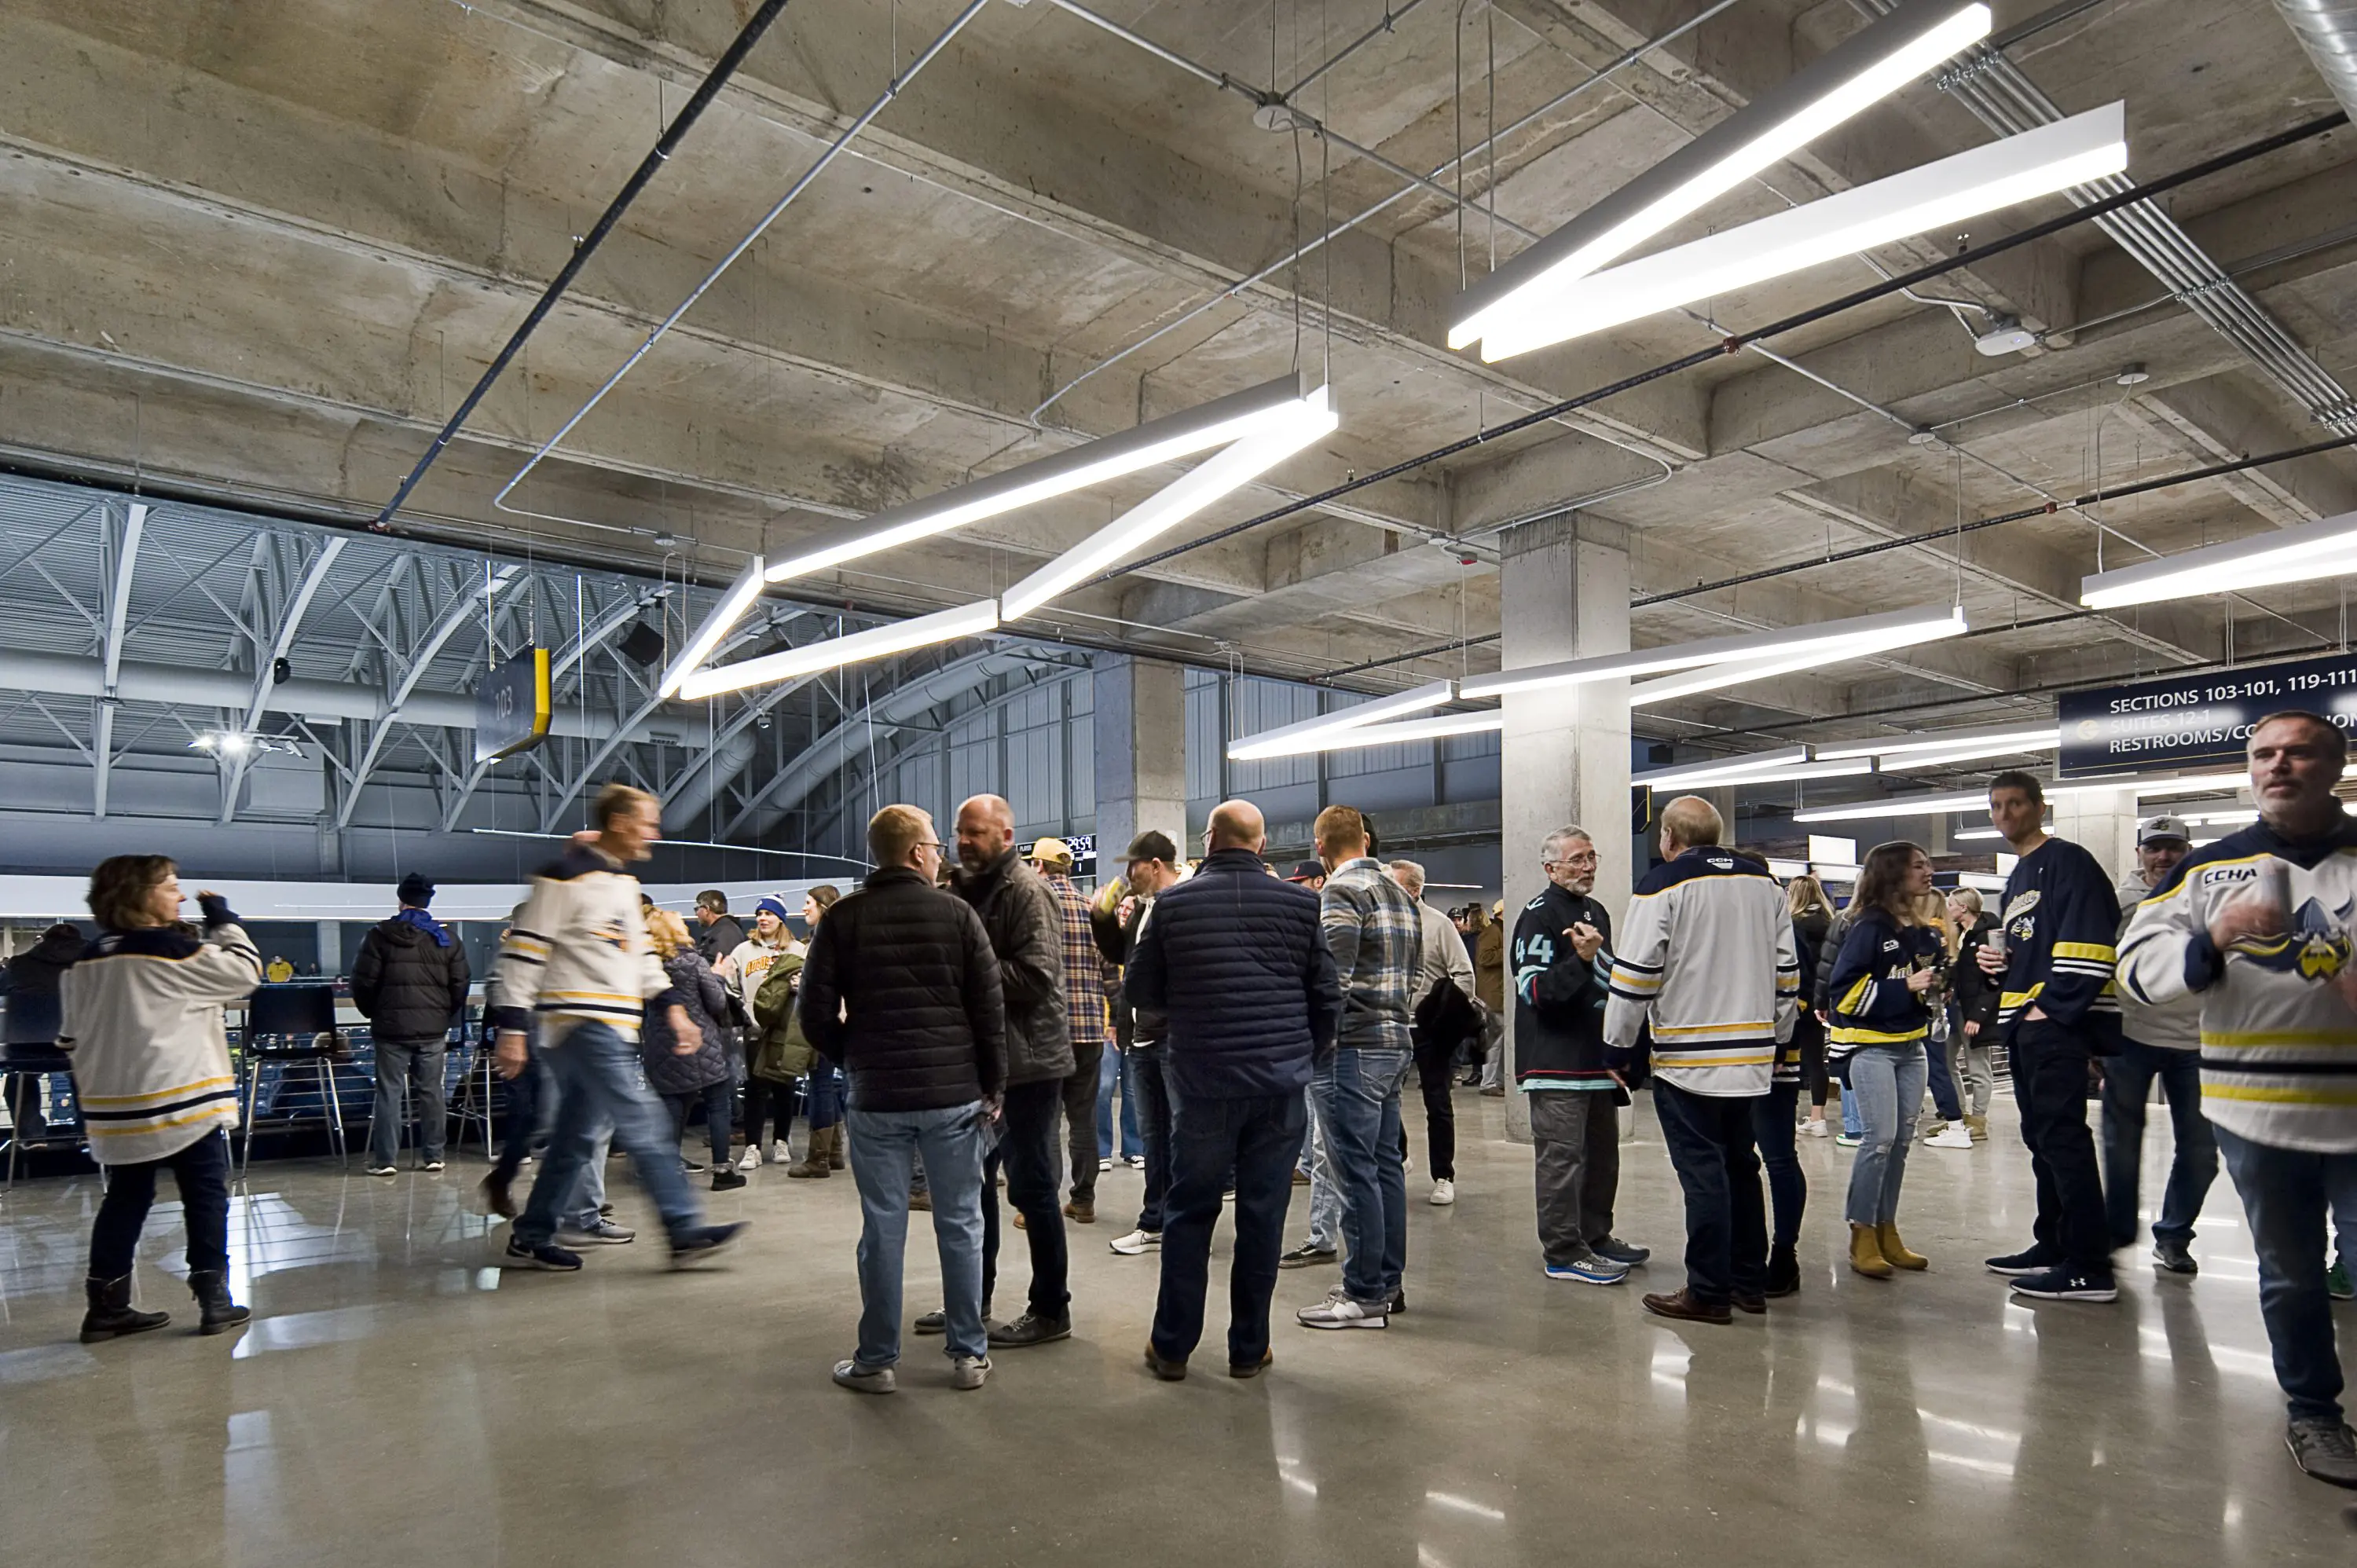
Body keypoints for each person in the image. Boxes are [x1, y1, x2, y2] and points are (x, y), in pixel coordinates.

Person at [2118, 712, 2357, 1486]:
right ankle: (2314, 1413)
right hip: (2256, 1110)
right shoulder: (2208, 870)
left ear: (2335, 765)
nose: (2279, 764)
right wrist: (2210, 943)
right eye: (2264, 754)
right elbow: (2137, 964)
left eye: (2300, 752)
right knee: (2289, 1274)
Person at [489, 782, 746, 1273]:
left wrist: (671, 1008)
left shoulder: (624, 888)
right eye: (649, 822)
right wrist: (512, 1027)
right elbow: (526, 950)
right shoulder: (562, 877)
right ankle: (683, 1227)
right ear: (622, 822)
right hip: (580, 1023)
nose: (656, 832)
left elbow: (644, 956)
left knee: (575, 1138)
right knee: (644, 1120)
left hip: (616, 1027)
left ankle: (533, 1232)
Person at [1129, 801, 1340, 1378]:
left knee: (1189, 1213)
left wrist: (1195, 1011)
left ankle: (1172, 1348)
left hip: (1203, 1084)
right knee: (1263, 1215)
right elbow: (1326, 996)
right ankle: (1250, 1350)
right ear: (1263, 844)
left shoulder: (1173, 904)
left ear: (1209, 839)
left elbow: (1142, 989)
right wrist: (1306, 1055)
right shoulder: (1303, 903)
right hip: (1279, 1087)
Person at [800, 804, 1005, 1394]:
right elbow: (988, 1013)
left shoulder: (842, 919)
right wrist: (993, 1086)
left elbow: (813, 1014)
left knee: (883, 1228)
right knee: (961, 1223)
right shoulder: (959, 915)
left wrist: (855, 1055)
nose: (942, 853)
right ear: (916, 853)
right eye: (936, 845)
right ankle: (968, 1357)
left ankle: (875, 1362)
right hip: (954, 1097)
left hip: (877, 1097)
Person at [1604, 796, 1798, 1324]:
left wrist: (1618, 1046)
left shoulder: (1662, 884)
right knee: (1742, 1166)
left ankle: (1707, 1292)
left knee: (1702, 1173)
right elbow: (1788, 972)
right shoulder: (1766, 885)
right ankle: (1747, 1284)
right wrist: (1776, 1038)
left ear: (1668, 838)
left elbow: (1636, 975)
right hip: (1753, 1055)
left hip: (1688, 1058)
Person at [61, 856, 261, 1339]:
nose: (178, 895)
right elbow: (246, 973)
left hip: (115, 1108)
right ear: (140, 895)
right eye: (170, 886)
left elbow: (69, 1038)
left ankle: (105, 1307)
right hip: (184, 1098)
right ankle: (215, 1299)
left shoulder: (86, 961)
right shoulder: (171, 952)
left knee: (126, 1200)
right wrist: (224, 922)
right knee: (205, 1196)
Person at [1977, 769, 2123, 1302]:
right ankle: (2055, 1242)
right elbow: (2029, 945)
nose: (2005, 814)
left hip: (2053, 1023)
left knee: (2063, 1139)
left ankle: (2089, 1265)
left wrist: (2052, 1010)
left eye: (2016, 803)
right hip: (2023, 1021)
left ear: (2040, 807)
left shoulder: (2068, 862)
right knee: (2041, 1139)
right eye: (1996, 806)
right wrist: (1996, 963)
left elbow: (2092, 940)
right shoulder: (2019, 875)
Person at [944, 794, 1073, 1349]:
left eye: (975, 833)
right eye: (959, 832)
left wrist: (967, 967)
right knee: (974, 1189)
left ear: (1005, 834)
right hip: (981, 1064)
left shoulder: (1026, 890)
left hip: (1029, 1067)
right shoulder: (963, 889)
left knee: (1034, 1189)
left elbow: (1037, 977)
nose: (965, 841)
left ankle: (1051, 1310)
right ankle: (974, 1300)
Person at [1298, 804, 1421, 1330]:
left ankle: (1362, 1294)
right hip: (1394, 1043)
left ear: (1320, 846)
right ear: (1366, 840)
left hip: (1351, 1049)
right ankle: (1388, 1283)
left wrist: (1313, 1042)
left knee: (1354, 1173)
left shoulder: (1341, 894)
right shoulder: (1403, 894)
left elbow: (1333, 982)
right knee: (1385, 1166)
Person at [1512, 825, 1648, 1284]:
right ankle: (1564, 1251)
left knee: (1602, 1159)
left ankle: (1596, 1235)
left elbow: (1611, 982)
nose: (1587, 866)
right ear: (1551, 868)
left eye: (1592, 857)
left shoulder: (1597, 912)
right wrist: (1582, 961)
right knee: (1561, 1161)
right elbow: (1535, 991)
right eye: (1576, 859)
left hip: (1596, 1061)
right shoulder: (1538, 916)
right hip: (1554, 1064)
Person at [2103, 813, 2216, 1276]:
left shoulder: (2210, 898)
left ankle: (2173, 1236)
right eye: (2154, 848)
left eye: (2173, 847)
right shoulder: (2116, 903)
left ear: (2188, 851)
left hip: (2200, 1041)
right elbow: (2099, 968)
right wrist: (2096, 1038)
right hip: (2131, 1038)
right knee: (2122, 1142)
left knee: (2202, 1149)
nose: (2163, 856)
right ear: (2139, 854)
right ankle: (2115, 1231)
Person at [1827, 842, 1942, 1280]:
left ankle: (1886, 1228)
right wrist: (1906, 987)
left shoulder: (1919, 928)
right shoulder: (1867, 928)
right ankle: (1862, 1233)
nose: (1928, 872)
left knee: (1900, 1144)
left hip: (1913, 1048)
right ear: (1894, 874)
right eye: (1919, 866)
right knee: (1878, 1141)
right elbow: (1845, 995)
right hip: (1870, 1048)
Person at [351, 871, 470, 1177]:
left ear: (401, 900)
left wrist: (373, 1013)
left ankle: (386, 1161)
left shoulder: (378, 935)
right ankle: (434, 1156)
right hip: (432, 1029)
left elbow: (363, 982)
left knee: (389, 1093)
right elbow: (460, 984)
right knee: (431, 1091)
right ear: (427, 902)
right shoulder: (447, 938)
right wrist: (443, 1014)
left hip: (390, 1028)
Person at [1098, 833, 1182, 1257]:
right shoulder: (1144, 909)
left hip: (1172, 1040)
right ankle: (1155, 1222)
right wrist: (1102, 915)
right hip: (1141, 1039)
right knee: (1155, 1138)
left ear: (1154, 864)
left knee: (1182, 1136)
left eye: (1133, 866)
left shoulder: (1181, 904)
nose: (1127, 874)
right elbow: (1120, 956)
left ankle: (1183, 1227)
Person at [1389, 859, 1477, 1207]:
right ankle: (1399, 1153)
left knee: (1437, 1103)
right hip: (1393, 1026)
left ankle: (1443, 1175)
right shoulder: (1385, 924)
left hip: (1431, 1031)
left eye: (1395, 885)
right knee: (1384, 1097)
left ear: (1414, 889)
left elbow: (1465, 976)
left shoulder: (1440, 926)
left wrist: (1443, 1017)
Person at [1031, 836, 1109, 1224]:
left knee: (1044, 1120)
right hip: (1090, 1030)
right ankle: (1083, 1201)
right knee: (1083, 1119)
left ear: (1040, 868)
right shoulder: (1093, 909)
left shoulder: (1033, 908)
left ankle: (1040, 1205)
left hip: (1046, 1031)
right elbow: (1112, 971)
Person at [642, 908, 742, 1191]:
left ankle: (670, 1174)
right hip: (702, 1046)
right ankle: (723, 1172)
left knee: (673, 1110)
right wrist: (719, 976)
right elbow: (717, 1003)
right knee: (718, 1104)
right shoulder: (692, 961)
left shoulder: (647, 967)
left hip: (662, 1048)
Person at [724, 896, 799, 1168]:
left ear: (781, 918)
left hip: (785, 1030)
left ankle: (781, 1141)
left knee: (784, 1087)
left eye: (769, 913)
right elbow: (730, 985)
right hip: (755, 1029)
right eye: (759, 914)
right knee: (755, 1088)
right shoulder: (743, 951)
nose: (762, 918)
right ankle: (752, 1147)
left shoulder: (797, 949)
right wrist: (743, 1012)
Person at [2, 921, 84, 1144]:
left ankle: (32, 1137)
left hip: (27, 1048)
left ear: (43, 940)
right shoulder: (90, 965)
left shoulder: (19, 964)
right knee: (86, 1076)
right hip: (76, 1046)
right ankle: (87, 1132)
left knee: (19, 1080)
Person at [796, 885, 847, 1174]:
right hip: (838, 1019)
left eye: (808, 903)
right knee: (825, 1084)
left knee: (820, 1085)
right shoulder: (838, 937)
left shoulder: (824, 941)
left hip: (827, 1020)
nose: (804, 909)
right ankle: (835, 1152)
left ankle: (819, 1158)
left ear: (822, 907)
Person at [1945, 887, 2000, 1141]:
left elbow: (1994, 979)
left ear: (1963, 907)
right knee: (1947, 1061)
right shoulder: (1961, 934)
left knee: (1978, 1067)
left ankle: (1978, 1119)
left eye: (1951, 903)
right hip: (1956, 1009)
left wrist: (1978, 1015)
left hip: (1975, 1012)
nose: (1947, 907)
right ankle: (1958, 1114)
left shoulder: (1988, 935)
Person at [1787, 876, 1835, 1138]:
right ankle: (1818, 1117)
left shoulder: (1793, 926)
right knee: (1817, 1059)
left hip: (1796, 997)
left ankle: (1786, 1113)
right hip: (1822, 1000)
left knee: (1789, 1059)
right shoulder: (1832, 924)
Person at [1472, 902, 1508, 1094]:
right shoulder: (1493, 931)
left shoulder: (1498, 930)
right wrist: (1508, 949)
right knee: (1494, 1042)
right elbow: (1484, 958)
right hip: (1493, 994)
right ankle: (1488, 1083)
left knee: (1500, 1043)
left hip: (1499, 994)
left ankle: (1497, 1081)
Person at [693, 891, 747, 967]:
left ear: (707, 909)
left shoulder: (725, 933)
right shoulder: (726, 930)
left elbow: (716, 967)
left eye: (696, 909)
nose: (696, 913)